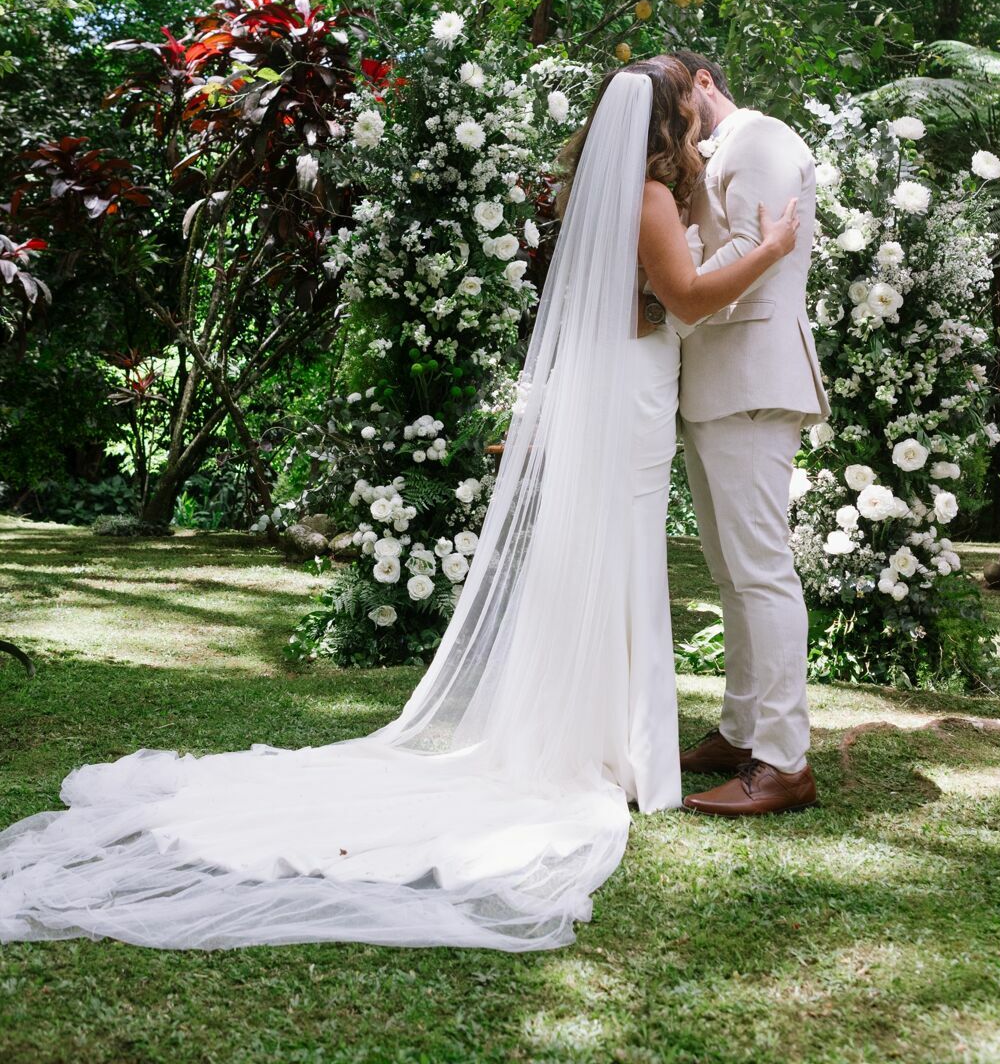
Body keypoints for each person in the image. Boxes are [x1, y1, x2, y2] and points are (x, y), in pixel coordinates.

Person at [0, 58, 795, 953]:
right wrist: (766, 249)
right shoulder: (650, 197)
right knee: (616, 555)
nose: (700, 118)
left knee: (601, 555)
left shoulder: (601, 192)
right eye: (690, 106)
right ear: (664, 119)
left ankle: (599, 734)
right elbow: (684, 296)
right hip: (634, 385)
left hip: (612, 380)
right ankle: (612, 747)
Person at [653, 48, 830, 817]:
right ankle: (740, 730)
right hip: (716, 385)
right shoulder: (708, 154)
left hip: (754, 380)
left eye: (671, 93)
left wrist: (667, 297)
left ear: (702, 83)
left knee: (760, 572)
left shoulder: (757, 140)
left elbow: (751, 253)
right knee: (732, 575)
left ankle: (783, 762)